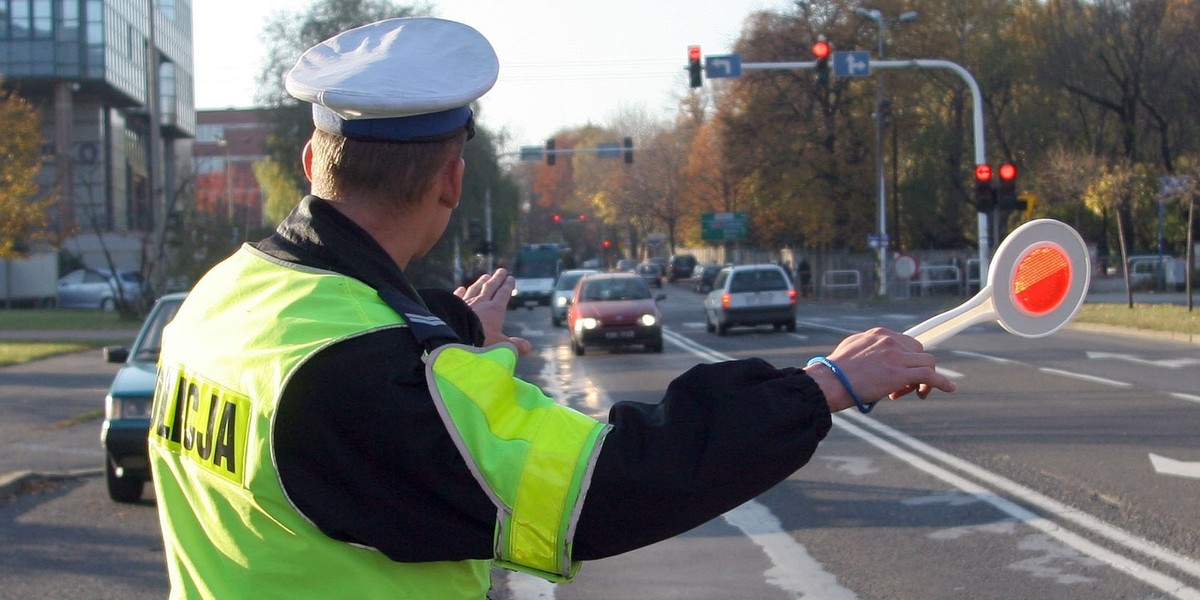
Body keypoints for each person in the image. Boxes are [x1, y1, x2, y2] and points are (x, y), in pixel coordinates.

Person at [147, 17, 956, 600]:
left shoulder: (220, 300)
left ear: (308, 160)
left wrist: (454, 331)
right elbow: (605, 484)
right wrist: (820, 387)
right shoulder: (367, 385)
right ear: (451, 181)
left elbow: (343, 366)